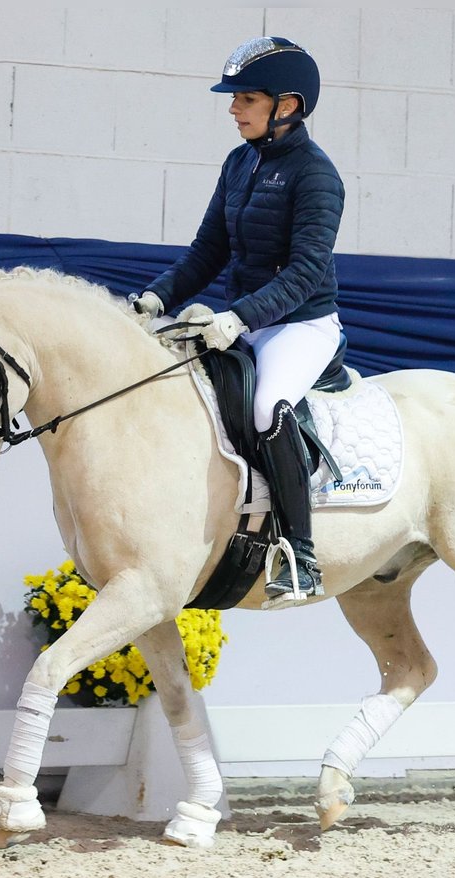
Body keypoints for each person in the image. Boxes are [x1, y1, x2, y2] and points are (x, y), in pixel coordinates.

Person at [131, 36, 346, 603]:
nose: (233, 109)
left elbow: (303, 273)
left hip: (300, 324)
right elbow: (208, 250)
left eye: (246, 98)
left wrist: (238, 318)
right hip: (242, 318)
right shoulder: (239, 161)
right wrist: (155, 297)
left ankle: (301, 555)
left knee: (265, 407)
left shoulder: (318, 177)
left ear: (288, 105)